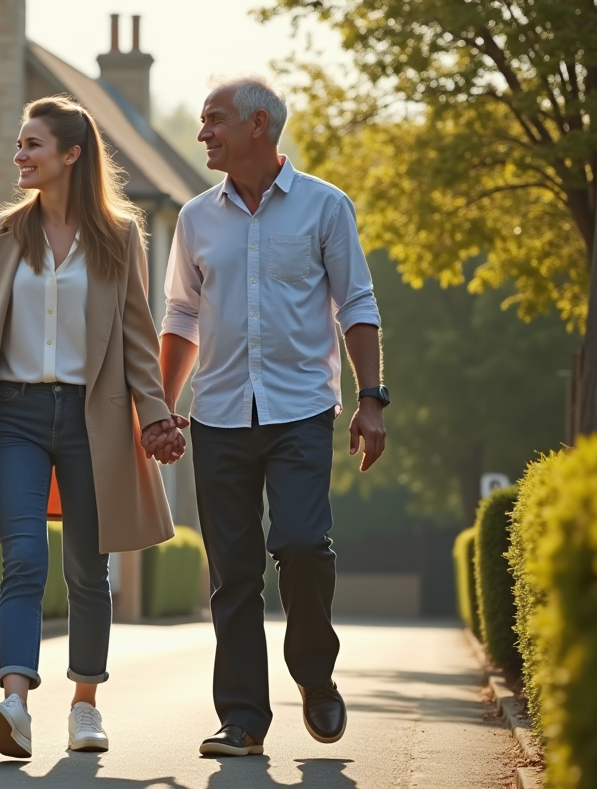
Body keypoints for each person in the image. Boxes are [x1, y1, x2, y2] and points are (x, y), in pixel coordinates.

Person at [156, 76, 388, 757]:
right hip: (220, 415)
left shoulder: (325, 208)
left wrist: (372, 399)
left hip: (301, 413)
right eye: (201, 121)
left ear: (259, 124)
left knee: (303, 545)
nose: (203, 133)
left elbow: (357, 306)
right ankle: (243, 720)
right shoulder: (195, 217)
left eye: (214, 120)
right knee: (233, 572)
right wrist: (163, 408)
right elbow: (181, 314)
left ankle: (316, 678)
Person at [0, 95, 184, 759]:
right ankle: (15, 701)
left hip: (95, 419)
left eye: (32, 145)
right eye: (20, 145)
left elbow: (140, 341)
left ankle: (85, 704)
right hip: (13, 417)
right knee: (23, 558)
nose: (20, 156)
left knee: (89, 566)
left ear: (70, 155)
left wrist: (158, 416)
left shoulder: (120, 237)